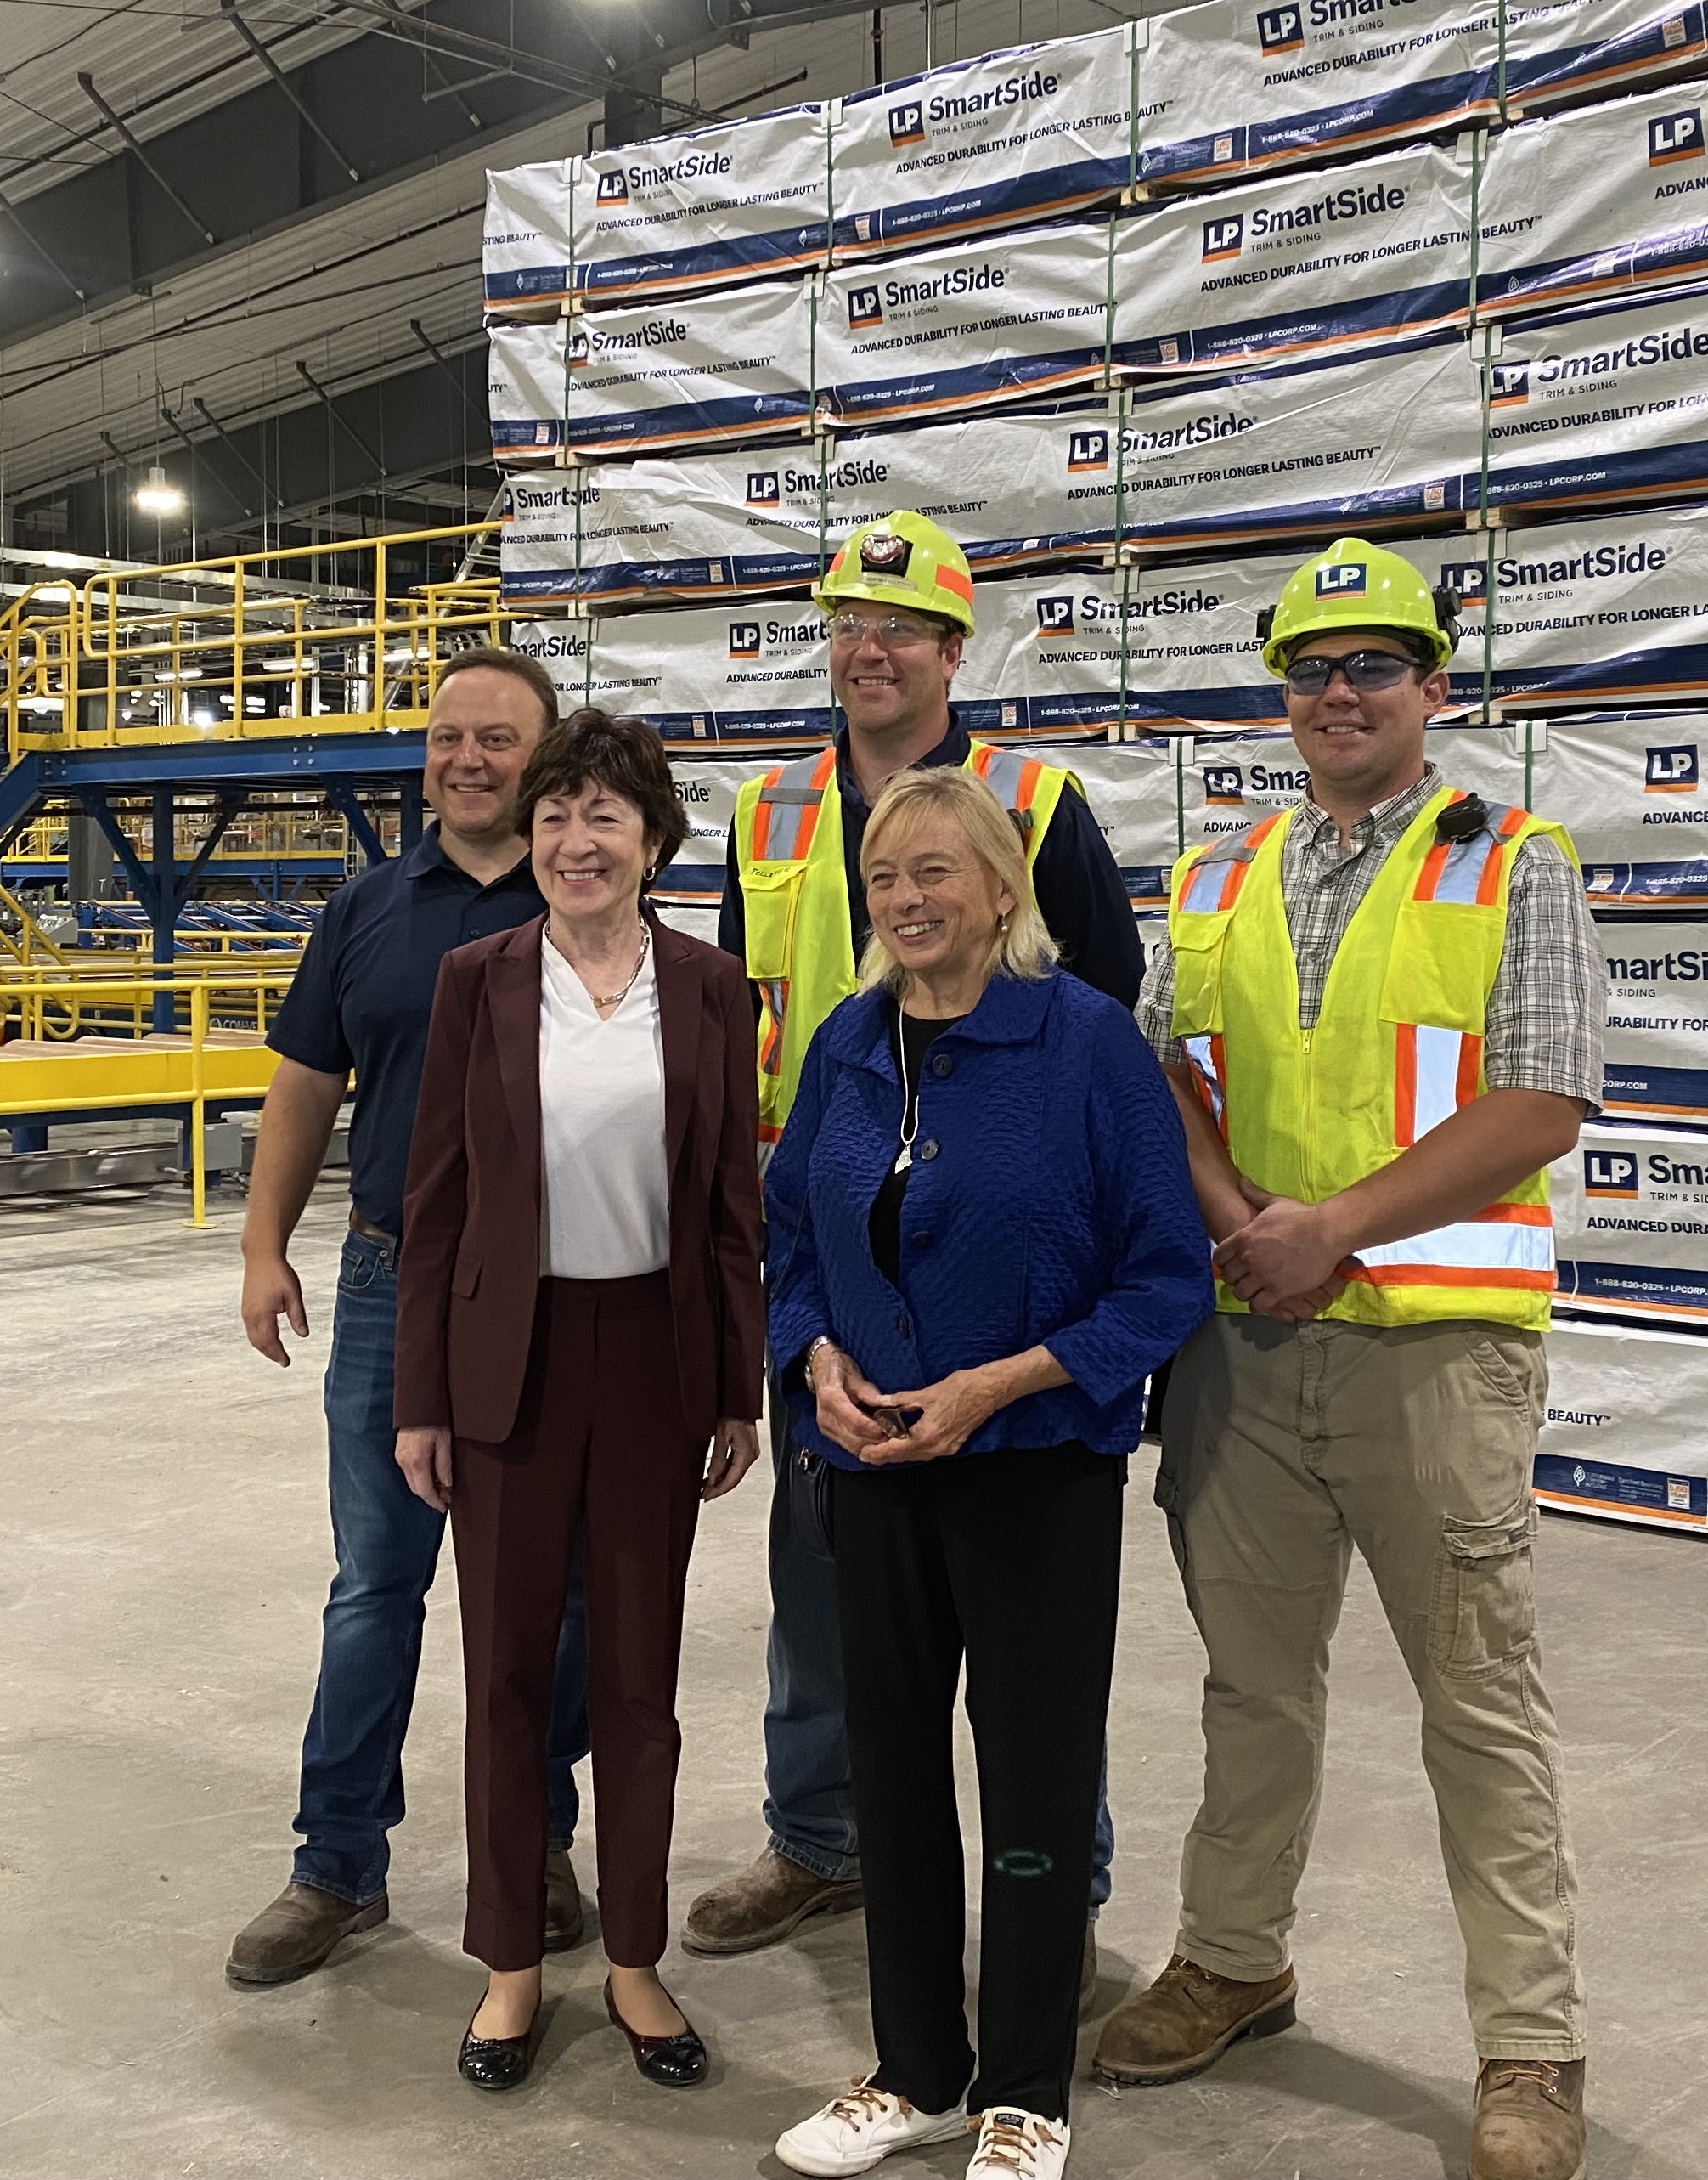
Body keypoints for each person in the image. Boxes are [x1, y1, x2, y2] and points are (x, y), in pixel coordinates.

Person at [1091, 540, 1604, 2180]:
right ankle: (1236, 1962)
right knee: (1254, 1694)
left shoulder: (1515, 862)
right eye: (1312, 671)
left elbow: (1538, 1103)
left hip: (1436, 1361)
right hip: (1248, 1354)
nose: (1339, 694)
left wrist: (1341, 1231)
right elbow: (1163, 1073)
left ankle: (1528, 2045)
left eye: (1374, 666)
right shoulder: (1217, 872)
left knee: (1480, 1708)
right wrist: (1247, 1218)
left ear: (1432, 689)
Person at [691, 507, 1147, 1959]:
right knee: (821, 1584)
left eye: (900, 627)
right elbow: (718, 1035)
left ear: (958, 650)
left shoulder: (1040, 801)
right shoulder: (766, 818)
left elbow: (1104, 1028)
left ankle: (1054, 1889)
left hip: (1004, 1271)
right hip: (827, 1265)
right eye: (846, 622)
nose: (868, 646)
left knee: (1029, 1631)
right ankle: (820, 1841)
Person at [763, 770, 1205, 2180]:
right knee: (890, 1776)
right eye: (888, 877)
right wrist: (817, 1359)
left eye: (938, 872)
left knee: (1032, 1780)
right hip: (874, 1467)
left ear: (1003, 890)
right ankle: (915, 2071)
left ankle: (1025, 2090)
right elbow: (785, 1245)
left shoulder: (1080, 1042)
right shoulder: (847, 1040)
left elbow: (1164, 1276)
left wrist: (1003, 1384)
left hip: (1033, 1468)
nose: (909, 899)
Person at [392, 709, 767, 2092]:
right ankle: (508, 1967)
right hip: (513, 1359)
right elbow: (434, 1206)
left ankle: (633, 1960)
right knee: (499, 1672)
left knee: (636, 1679)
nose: (573, 838)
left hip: (655, 1360)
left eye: (604, 815)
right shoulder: (476, 980)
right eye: (554, 815)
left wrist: (740, 1383)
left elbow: (733, 1199)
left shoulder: (712, 988)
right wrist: (418, 1396)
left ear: (655, 840)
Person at [228, 647, 596, 1991]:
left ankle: (536, 1841)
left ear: (547, 757)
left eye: (499, 738)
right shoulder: (366, 910)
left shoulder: (595, 913)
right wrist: (264, 1247)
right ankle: (335, 1866)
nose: (469, 759)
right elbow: (304, 1083)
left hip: (560, 1291)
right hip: (397, 1286)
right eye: (449, 736)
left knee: (551, 1599)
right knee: (376, 1590)